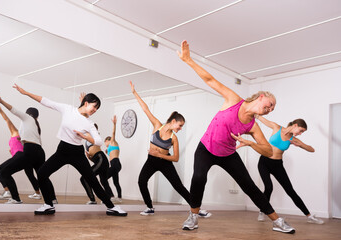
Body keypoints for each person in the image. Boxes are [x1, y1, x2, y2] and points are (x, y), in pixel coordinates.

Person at [178, 40, 295, 234]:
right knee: (199, 177)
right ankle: (193, 216)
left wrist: (249, 143)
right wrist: (188, 60)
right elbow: (210, 80)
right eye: (270, 103)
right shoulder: (234, 100)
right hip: (206, 148)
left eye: (273, 108)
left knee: (249, 185)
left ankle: (277, 221)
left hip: (228, 154)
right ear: (261, 97)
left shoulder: (253, 126)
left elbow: (267, 150)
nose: (270, 109)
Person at [12, 84, 127, 216]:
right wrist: (25, 92)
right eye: (94, 106)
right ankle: (48, 205)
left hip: (77, 153)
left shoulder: (89, 123)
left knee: (92, 181)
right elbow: (46, 102)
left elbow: (99, 141)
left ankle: (111, 207)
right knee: (42, 173)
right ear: (86, 103)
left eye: (97, 108)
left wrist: (85, 136)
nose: (95, 110)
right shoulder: (68, 109)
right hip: (62, 150)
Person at [130, 81, 211, 218]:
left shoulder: (174, 138)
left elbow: (176, 158)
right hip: (151, 161)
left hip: (165, 162)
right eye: (180, 125)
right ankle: (149, 207)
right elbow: (145, 109)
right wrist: (134, 93)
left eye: (181, 127)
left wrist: (159, 155)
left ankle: (197, 209)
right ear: (173, 121)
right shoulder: (157, 125)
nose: (180, 129)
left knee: (178, 186)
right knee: (141, 181)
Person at [256, 116, 324, 224]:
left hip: (277, 165)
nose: (301, 133)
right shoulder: (276, 128)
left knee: (290, 191)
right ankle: (262, 211)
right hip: (264, 162)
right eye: (301, 130)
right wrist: (254, 113)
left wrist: (300, 145)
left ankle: (309, 216)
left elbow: (312, 149)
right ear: (295, 125)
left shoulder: (293, 139)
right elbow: (260, 118)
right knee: (268, 187)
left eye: (303, 132)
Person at [0, 92, 56, 205]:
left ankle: (16, 198)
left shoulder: (27, 118)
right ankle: (53, 199)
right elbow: (27, 138)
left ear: (28, 114)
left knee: (3, 171)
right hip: (40, 152)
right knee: (42, 176)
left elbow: (14, 110)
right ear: (37, 116)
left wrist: (1, 101)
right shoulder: (36, 125)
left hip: (30, 150)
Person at [0, 101, 42, 201]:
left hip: (21, 156)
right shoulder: (24, 135)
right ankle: (37, 193)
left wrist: (0, 109)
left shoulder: (16, 132)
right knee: (30, 175)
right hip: (24, 156)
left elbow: (7, 120)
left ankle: (9, 192)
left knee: (0, 171)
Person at [80, 123, 113, 205]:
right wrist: (89, 157)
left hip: (101, 158)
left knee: (84, 178)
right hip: (99, 160)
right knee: (103, 181)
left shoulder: (94, 135)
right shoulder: (87, 139)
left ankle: (92, 199)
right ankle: (108, 198)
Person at [104, 115, 122, 203]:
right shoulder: (109, 148)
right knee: (115, 182)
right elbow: (110, 154)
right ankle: (119, 198)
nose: (105, 144)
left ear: (107, 140)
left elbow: (113, 133)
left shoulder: (112, 142)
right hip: (115, 164)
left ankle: (110, 196)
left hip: (115, 163)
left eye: (105, 142)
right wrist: (107, 152)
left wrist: (114, 124)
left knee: (104, 178)